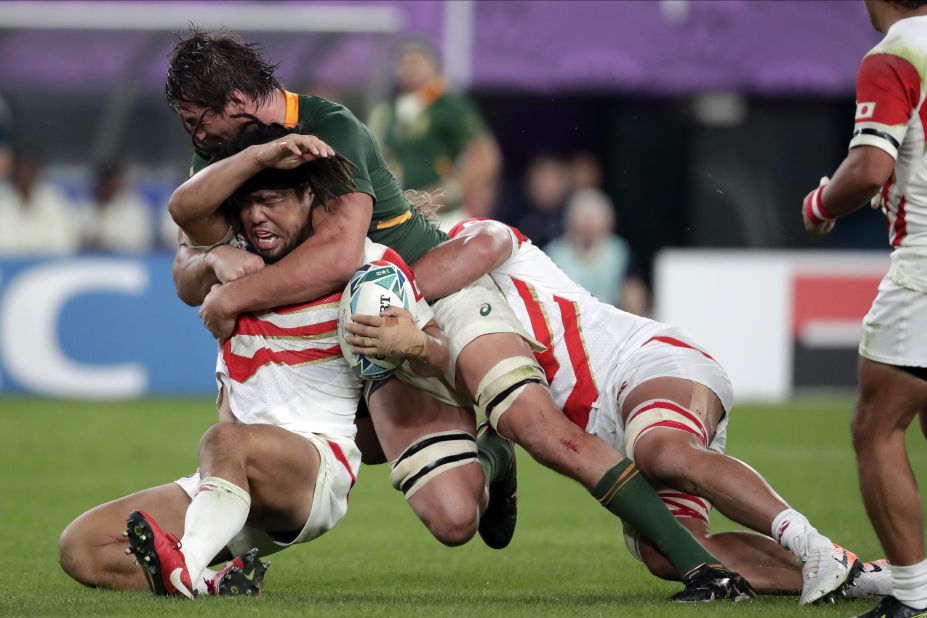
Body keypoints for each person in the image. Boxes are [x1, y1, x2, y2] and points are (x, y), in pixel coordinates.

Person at [165, 28, 754, 601]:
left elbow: (340, 254)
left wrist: (236, 295)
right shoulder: (222, 154)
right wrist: (215, 266)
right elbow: (189, 250)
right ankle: (491, 453)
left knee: (539, 428)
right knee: (445, 515)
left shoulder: (331, 126)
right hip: (348, 319)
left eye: (198, 120)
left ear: (239, 101)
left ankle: (697, 562)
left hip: (432, 289)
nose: (195, 136)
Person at [353, 217, 869, 605]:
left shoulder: (466, 237)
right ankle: (855, 575)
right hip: (612, 434)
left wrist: (402, 287)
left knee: (663, 450)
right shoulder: (426, 335)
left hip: (644, 362)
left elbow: (490, 243)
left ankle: (813, 544)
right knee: (668, 551)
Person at [58, 124, 443, 599]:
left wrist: (418, 345)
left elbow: (439, 358)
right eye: (248, 203)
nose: (257, 216)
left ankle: (186, 563)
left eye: (273, 202)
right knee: (82, 547)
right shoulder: (236, 255)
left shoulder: (368, 268)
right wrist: (214, 258)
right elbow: (185, 226)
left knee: (225, 439)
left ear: (309, 197)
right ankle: (212, 582)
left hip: (314, 467)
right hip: (227, 476)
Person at [801, 1, 927, 616]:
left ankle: (911, 597)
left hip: (924, 272)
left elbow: (870, 166)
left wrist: (822, 203)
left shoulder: (896, 54)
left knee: (876, 428)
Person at [368, 38, 501, 231]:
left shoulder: (448, 106)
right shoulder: (387, 112)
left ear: (434, 66)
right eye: (404, 62)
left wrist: (445, 193)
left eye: (417, 62)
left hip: (443, 218)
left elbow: (486, 158)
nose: (410, 68)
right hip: (399, 216)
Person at [544, 188, 649, 315]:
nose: (589, 224)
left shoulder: (619, 251)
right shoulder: (555, 253)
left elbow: (634, 292)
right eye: (583, 218)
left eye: (595, 218)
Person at [0, 151, 80, 255]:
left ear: (37, 172)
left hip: (48, 264)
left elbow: (62, 240)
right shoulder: (3, 200)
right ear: (13, 172)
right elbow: (4, 245)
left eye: (30, 169)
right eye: (21, 170)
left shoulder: (54, 199)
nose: (25, 175)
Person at [79, 162, 153, 253]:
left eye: (113, 182)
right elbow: (78, 240)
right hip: (94, 262)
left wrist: (107, 241)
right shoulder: (88, 207)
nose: (110, 187)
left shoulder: (134, 208)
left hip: (127, 261)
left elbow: (141, 241)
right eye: (106, 183)